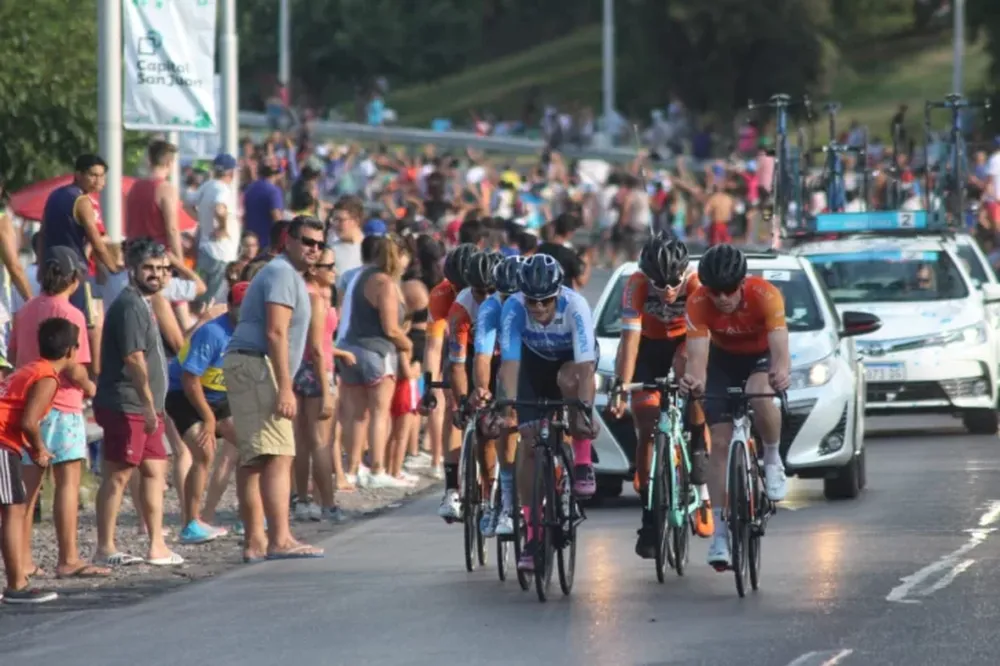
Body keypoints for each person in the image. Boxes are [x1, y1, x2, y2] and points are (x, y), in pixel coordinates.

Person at [679, 243, 791, 570]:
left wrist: (780, 372)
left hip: (760, 357)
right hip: (723, 361)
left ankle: (772, 458)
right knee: (721, 443)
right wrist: (695, 381)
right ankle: (719, 534)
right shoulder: (699, 302)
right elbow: (698, 360)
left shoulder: (765, 295)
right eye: (716, 292)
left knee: (760, 391)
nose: (724, 298)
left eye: (730, 290)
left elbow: (780, 349)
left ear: (742, 283)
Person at [223, 215, 325, 562]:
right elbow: (276, 333)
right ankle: (279, 539)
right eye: (307, 241)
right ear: (288, 241)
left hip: (249, 364)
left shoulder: (284, 274)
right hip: (257, 365)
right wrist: (285, 387)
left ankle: (255, 542)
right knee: (278, 455)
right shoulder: (282, 273)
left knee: (255, 458)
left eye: (319, 244)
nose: (313, 249)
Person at [608, 235, 713, 561]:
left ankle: (699, 464)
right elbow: (629, 341)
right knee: (646, 421)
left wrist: (695, 383)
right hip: (649, 348)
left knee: (689, 375)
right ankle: (650, 512)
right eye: (659, 283)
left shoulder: (697, 284)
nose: (667, 289)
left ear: (685, 273)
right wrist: (622, 386)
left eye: (673, 282)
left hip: (686, 342)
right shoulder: (635, 286)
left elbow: (701, 341)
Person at [494, 253, 599, 573]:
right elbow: (510, 365)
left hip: (570, 361)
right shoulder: (513, 308)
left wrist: (583, 414)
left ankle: (581, 461)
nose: (539, 308)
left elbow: (584, 369)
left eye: (546, 301)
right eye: (532, 301)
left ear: (559, 293)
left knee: (572, 385)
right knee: (526, 443)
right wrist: (510, 408)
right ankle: (533, 535)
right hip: (533, 364)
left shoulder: (575, 305)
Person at [11, 248, 108, 580]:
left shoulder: (24, 311)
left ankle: (21, 560)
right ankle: (68, 557)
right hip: (62, 404)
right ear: (75, 278)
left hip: (26, 405)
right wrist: (91, 387)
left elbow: (12, 354)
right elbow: (74, 366)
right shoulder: (72, 314)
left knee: (27, 491)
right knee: (67, 483)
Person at [93, 239, 182, 567]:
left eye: (162, 269)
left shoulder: (147, 303)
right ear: (133, 269)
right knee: (118, 474)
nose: (156, 275)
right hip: (127, 404)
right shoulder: (130, 305)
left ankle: (156, 545)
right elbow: (133, 358)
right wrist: (147, 404)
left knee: (156, 470)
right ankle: (104, 546)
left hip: (147, 408)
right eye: (149, 268)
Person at [0, 318, 81, 604]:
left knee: (13, 507)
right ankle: (16, 585)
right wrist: (40, 449)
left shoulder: (30, 368)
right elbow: (29, 422)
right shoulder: (47, 376)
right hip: (2, 442)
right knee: (12, 510)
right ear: (72, 351)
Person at [164, 282, 248, 544]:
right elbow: (190, 379)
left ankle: (248, 515)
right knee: (204, 453)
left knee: (252, 447)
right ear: (231, 307)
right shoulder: (213, 333)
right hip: (184, 394)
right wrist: (210, 419)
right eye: (242, 307)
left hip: (217, 395)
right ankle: (190, 523)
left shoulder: (251, 331)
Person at [336, 235, 412, 490]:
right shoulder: (385, 283)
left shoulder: (360, 278)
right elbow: (390, 328)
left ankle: (353, 468)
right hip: (377, 352)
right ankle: (378, 467)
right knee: (379, 413)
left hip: (351, 348)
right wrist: (407, 343)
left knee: (356, 415)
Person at [40, 153, 119, 374]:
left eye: (102, 176)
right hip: (76, 271)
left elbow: (43, 232)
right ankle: (93, 376)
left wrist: (40, 265)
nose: (98, 181)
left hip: (52, 268)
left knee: (58, 320)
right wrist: (113, 268)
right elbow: (97, 241)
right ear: (78, 174)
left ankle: (61, 370)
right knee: (90, 325)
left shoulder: (55, 195)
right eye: (93, 175)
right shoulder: (83, 201)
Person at [445, 251, 503, 535]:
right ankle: (488, 490)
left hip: (506, 358)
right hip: (473, 357)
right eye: (480, 292)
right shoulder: (461, 308)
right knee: (483, 426)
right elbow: (457, 364)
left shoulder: (512, 299)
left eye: (492, 290)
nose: (486, 297)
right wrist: (462, 401)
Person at [292, 248, 351, 521]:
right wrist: (327, 392)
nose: (334, 271)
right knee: (320, 442)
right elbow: (316, 348)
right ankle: (328, 503)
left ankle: (303, 500)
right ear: (314, 269)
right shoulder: (313, 298)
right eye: (329, 266)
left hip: (299, 368)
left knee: (302, 441)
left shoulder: (298, 293)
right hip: (316, 370)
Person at [470, 254, 523, 536]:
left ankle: (562, 484)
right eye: (504, 295)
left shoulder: (535, 303)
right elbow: (483, 356)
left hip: (539, 357)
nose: (509, 301)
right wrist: (482, 389)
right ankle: (504, 496)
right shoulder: (491, 307)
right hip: (506, 363)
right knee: (505, 418)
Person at [429, 243, 477, 520]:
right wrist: (429, 384)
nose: (461, 293)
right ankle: (452, 489)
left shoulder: (490, 290)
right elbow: (434, 346)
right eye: (456, 286)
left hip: (487, 347)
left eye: (465, 287)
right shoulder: (441, 294)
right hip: (457, 346)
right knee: (452, 408)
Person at [191, 153, 240, 304]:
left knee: (201, 298)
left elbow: (187, 202)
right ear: (231, 172)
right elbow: (220, 208)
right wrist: (223, 227)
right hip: (221, 253)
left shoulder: (208, 186)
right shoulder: (223, 189)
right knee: (215, 301)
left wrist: (199, 218)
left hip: (206, 249)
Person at [125, 139, 183, 258]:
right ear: (169, 163)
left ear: (150, 160)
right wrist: (180, 260)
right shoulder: (166, 189)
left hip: (134, 253)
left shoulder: (135, 187)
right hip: (157, 256)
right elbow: (172, 229)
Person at [242, 163, 285, 250]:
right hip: (267, 243)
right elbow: (277, 217)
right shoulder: (274, 191)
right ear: (276, 174)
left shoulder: (250, 189)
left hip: (251, 242)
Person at [329, 195, 365, 281]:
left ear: (356, 221)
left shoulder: (371, 249)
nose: (336, 224)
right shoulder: (331, 249)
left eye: (340, 220)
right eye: (334, 220)